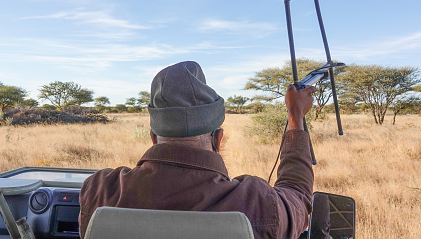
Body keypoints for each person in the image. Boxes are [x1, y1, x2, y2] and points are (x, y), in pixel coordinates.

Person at [79, 61, 315, 238]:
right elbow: (298, 196)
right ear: (218, 139)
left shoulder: (100, 190)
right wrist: (295, 118)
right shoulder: (258, 202)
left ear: (154, 137)